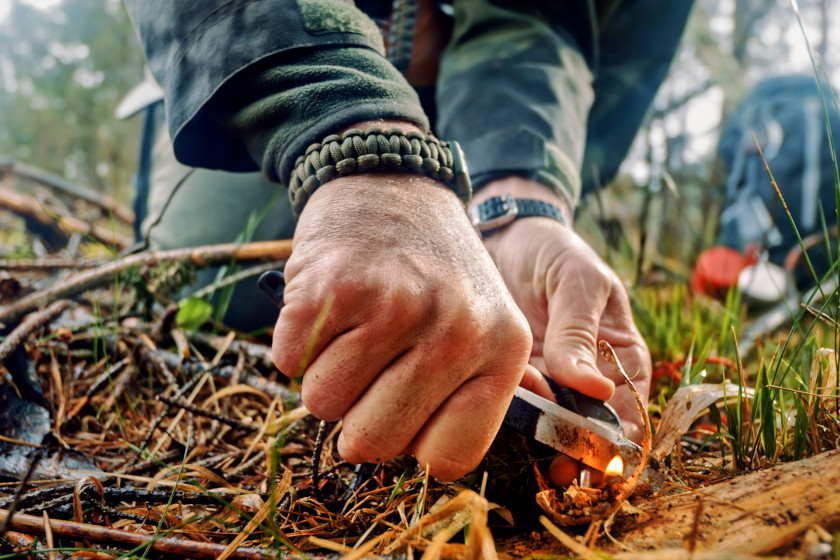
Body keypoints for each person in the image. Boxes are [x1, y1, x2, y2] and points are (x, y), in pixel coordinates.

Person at [124, 0, 695, 486]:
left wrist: (517, 207)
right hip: (288, 44)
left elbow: (527, 18)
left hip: (470, 83)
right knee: (217, 293)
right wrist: (360, 143)